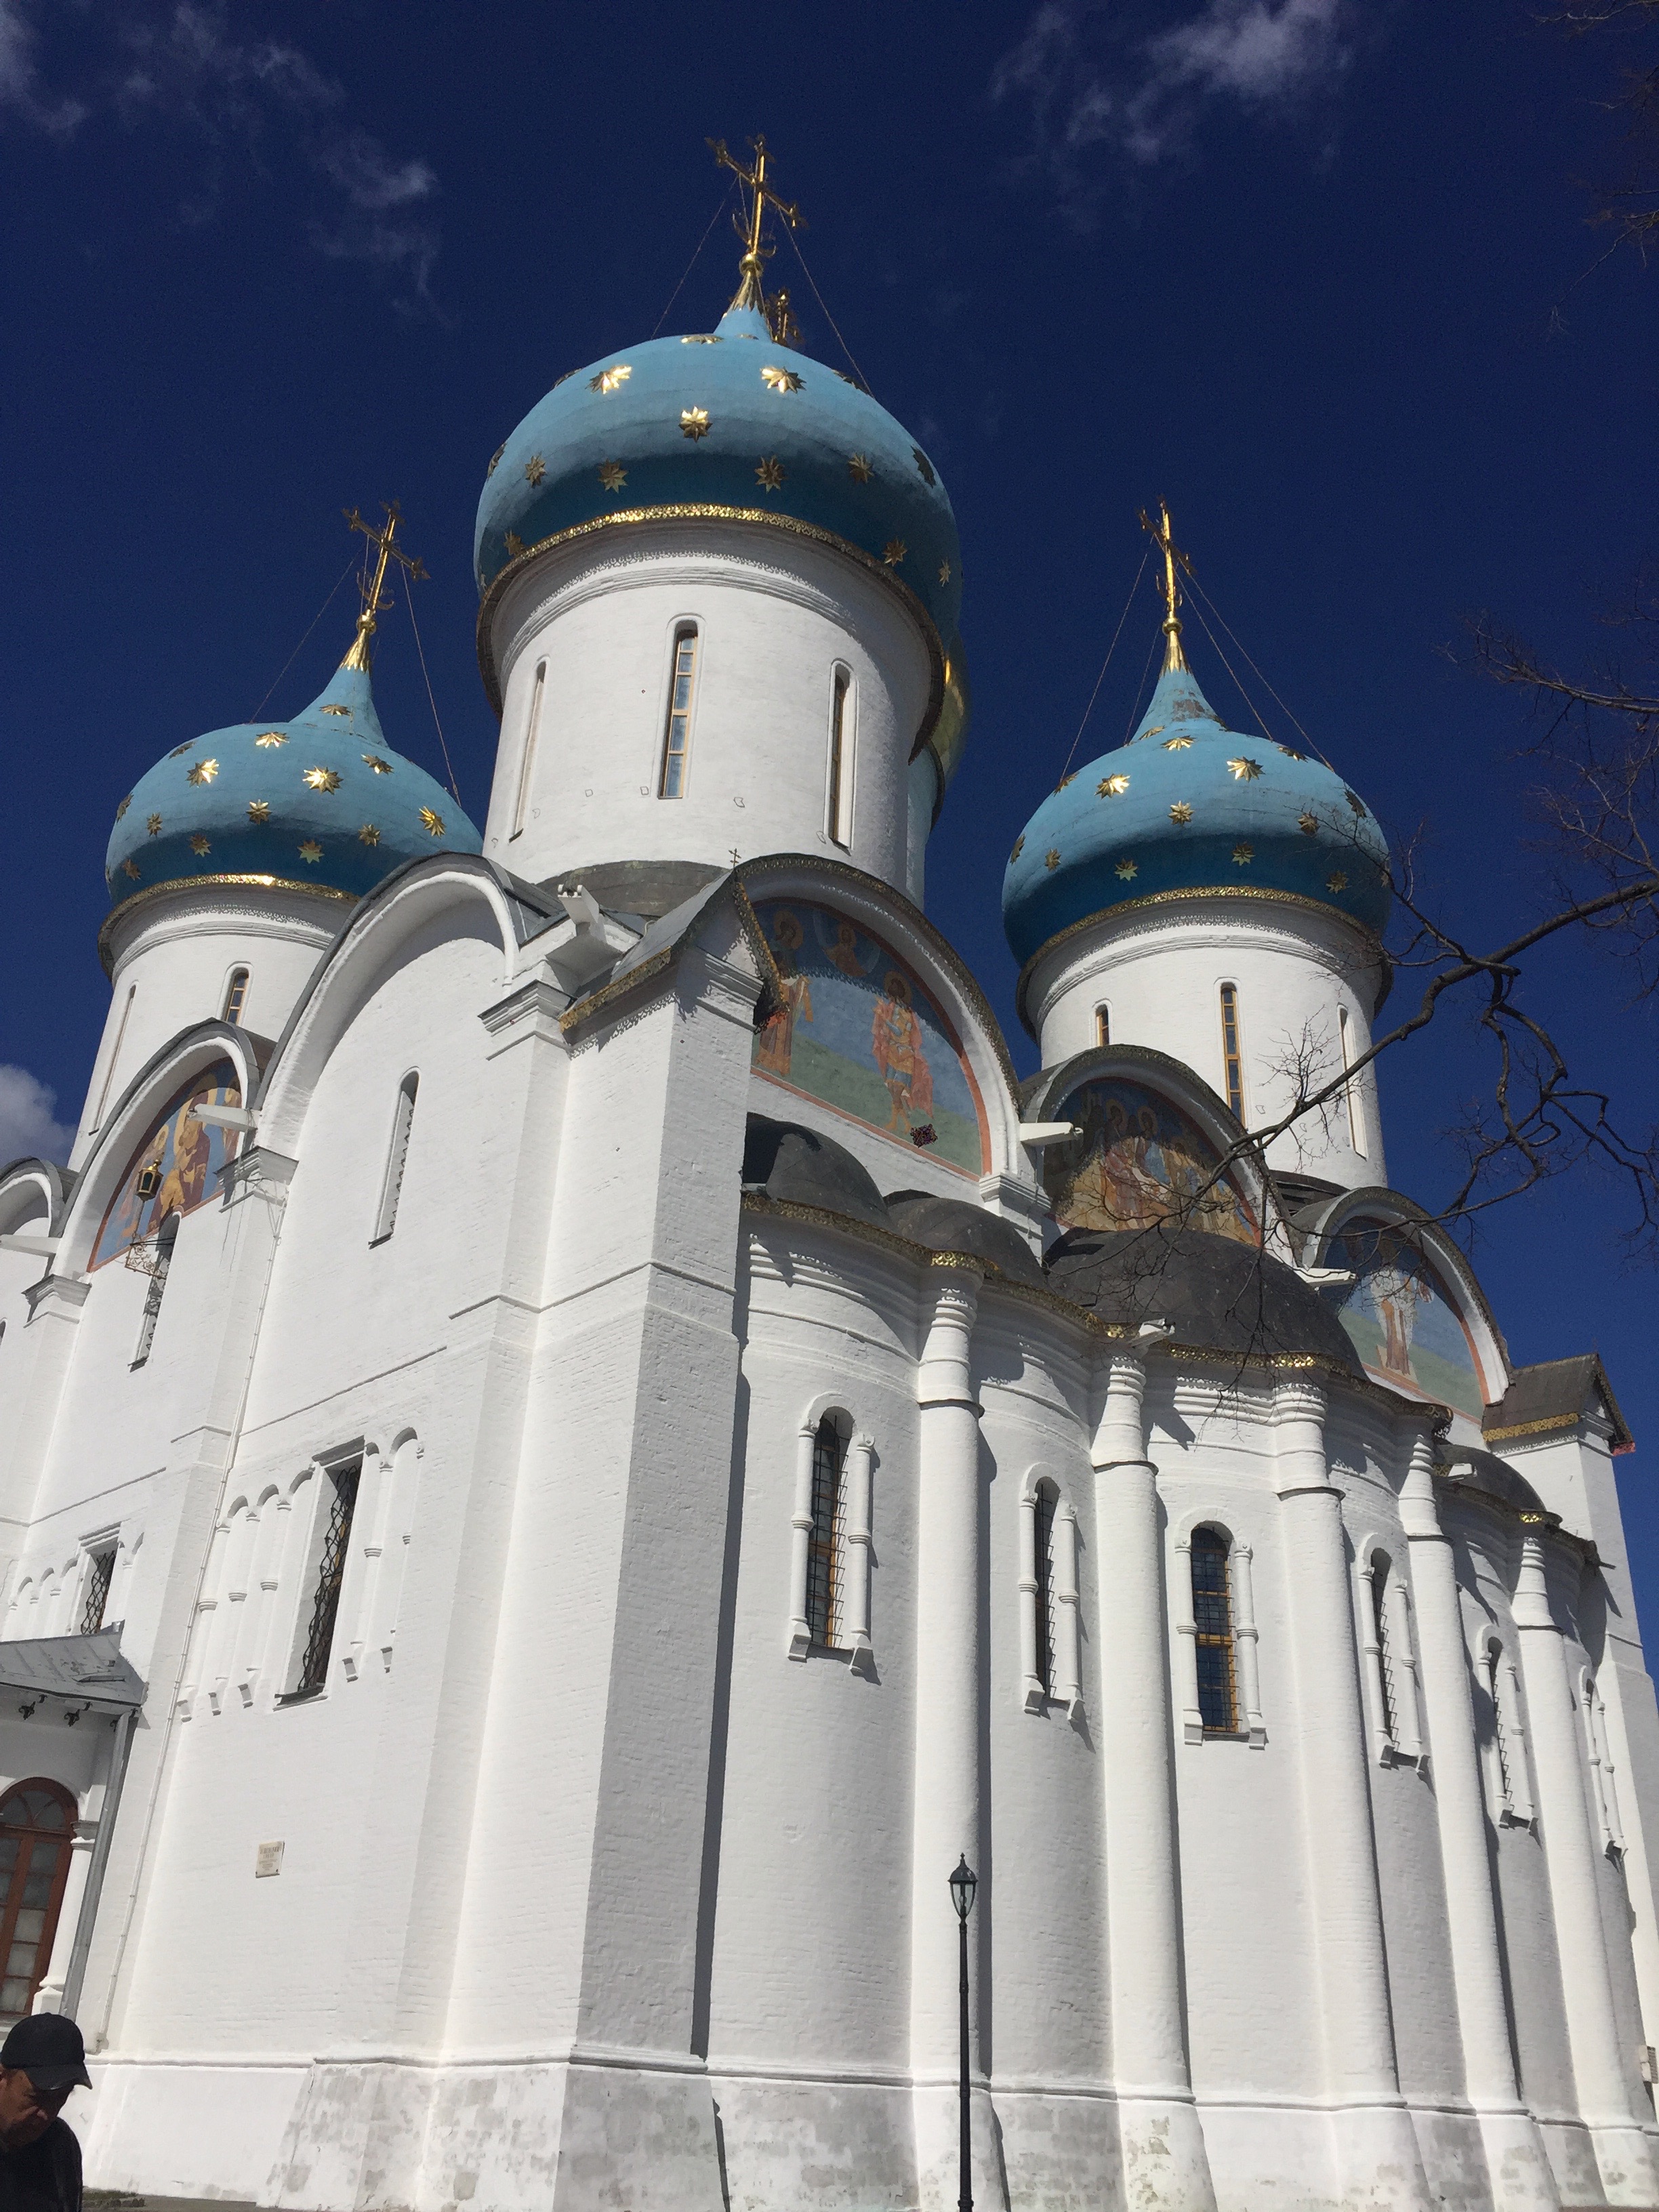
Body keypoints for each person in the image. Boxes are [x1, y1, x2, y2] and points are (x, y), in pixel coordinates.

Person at [0, 2014, 90, 2212]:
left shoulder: (59, 2144)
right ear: (2, 2077)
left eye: (61, 2098)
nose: (46, 2114)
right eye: (36, 2097)